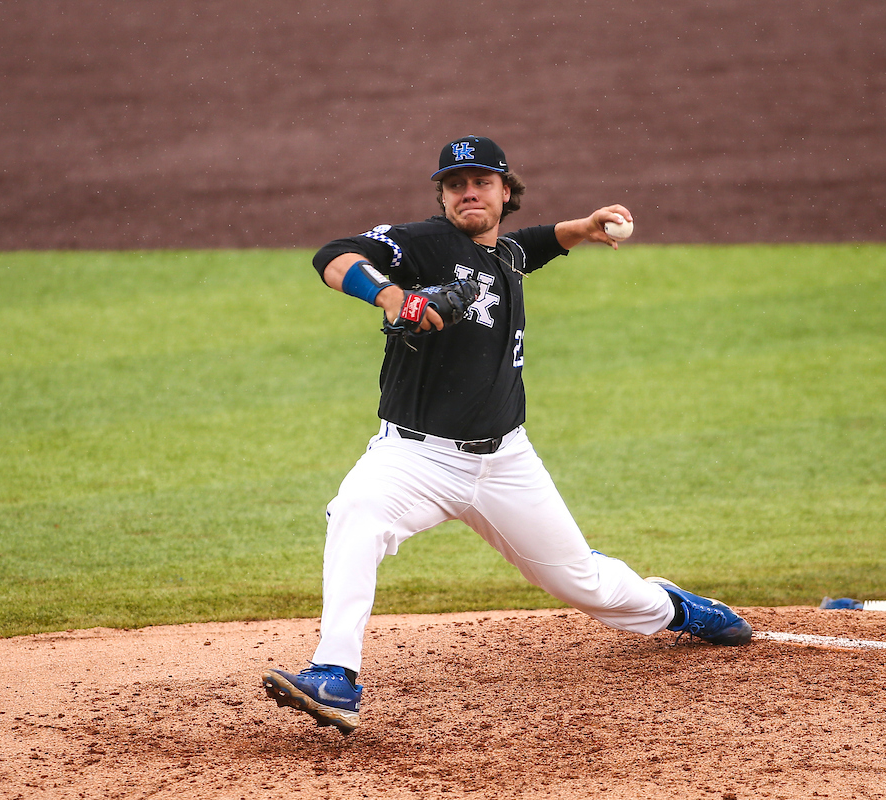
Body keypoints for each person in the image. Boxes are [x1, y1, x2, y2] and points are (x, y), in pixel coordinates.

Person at [262, 135, 752, 734]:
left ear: (505, 192)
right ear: (441, 197)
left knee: (583, 583)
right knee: (356, 515)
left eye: (482, 182)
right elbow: (332, 257)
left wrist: (583, 226)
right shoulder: (425, 243)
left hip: (506, 462)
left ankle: (673, 606)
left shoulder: (504, 254)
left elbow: (533, 246)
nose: (469, 192)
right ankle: (335, 675)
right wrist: (395, 298)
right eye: (455, 184)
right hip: (415, 458)